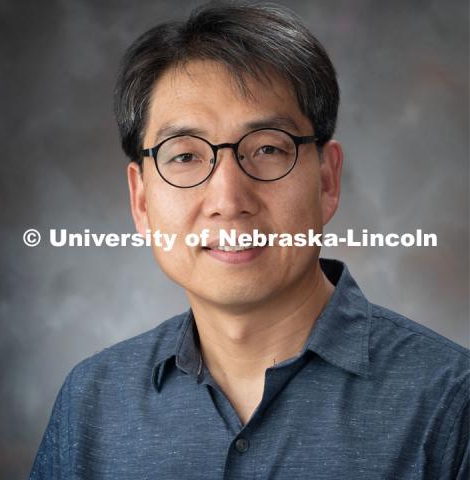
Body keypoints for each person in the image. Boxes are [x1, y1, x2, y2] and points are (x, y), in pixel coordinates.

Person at [29, 1, 469, 479]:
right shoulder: (91, 402)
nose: (228, 198)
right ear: (140, 199)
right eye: (185, 157)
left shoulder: (450, 402)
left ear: (326, 180)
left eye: (266, 149)